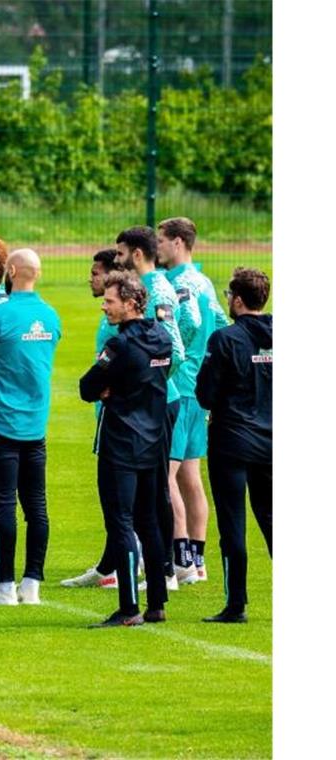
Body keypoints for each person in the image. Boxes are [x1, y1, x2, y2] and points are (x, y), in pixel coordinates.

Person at [0, 249, 62, 606]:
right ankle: (32, 582)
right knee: (36, 505)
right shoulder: (51, 317)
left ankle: (4, 585)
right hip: (36, 425)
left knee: (2, 505)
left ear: (10, 271)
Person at [79, 272, 173, 626]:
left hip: (121, 443)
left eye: (110, 301)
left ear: (131, 303)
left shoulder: (119, 346)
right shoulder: (162, 338)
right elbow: (158, 375)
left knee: (120, 522)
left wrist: (110, 388)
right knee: (149, 522)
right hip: (153, 441)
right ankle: (157, 603)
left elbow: (88, 387)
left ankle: (129, 606)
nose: (104, 306)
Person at [196, 267, 272, 624]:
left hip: (232, 440)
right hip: (272, 439)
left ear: (238, 300)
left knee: (233, 522)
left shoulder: (225, 339)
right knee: (273, 519)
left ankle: (236, 603)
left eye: (228, 295)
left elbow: (206, 395)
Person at [158, 217, 229, 584]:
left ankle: (179, 560)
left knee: (165, 475)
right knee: (190, 473)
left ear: (179, 242)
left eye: (162, 240)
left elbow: (189, 320)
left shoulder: (179, 283)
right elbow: (219, 322)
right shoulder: (204, 280)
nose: (158, 247)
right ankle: (197, 561)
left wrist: (178, 355)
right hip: (199, 388)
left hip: (180, 388)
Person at [115, 226, 186, 591]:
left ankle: (167, 571)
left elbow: (175, 348)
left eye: (120, 253)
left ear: (137, 254)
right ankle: (136, 564)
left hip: (157, 403)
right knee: (145, 490)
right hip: (146, 403)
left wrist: (145, 383)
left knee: (156, 489)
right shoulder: (142, 288)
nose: (116, 259)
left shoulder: (157, 290)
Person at [61, 249, 128, 589]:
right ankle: (112, 563)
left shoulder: (122, 326)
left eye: (96, 273)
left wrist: (111, 387)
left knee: (125, 494)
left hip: (125, 416)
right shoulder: (112, 320)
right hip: (118, 411)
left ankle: (147, 566)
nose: (91, 279)